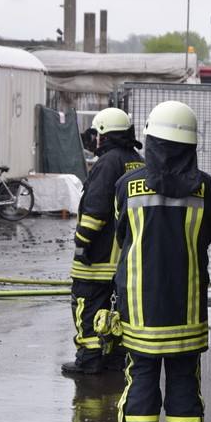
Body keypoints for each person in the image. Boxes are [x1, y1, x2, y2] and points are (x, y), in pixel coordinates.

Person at [106, 101, 211, 422]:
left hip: (141, 308)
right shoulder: (206, 186)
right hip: (187, 307)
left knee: (140, 381)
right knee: (185, 385)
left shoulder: (127, 185)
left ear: (151, 140)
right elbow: (207, 235)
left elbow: (122, 237)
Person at [62, 107, 144, 375]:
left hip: (99, 257)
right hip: (128, 257)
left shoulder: (107, 162)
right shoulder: (139, 161)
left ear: (104, 136)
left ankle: (89, 358)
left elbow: (95, 210)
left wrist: (82, 243)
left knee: (88, 306)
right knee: (118, 310)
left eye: (98, 133)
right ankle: (113, 356)